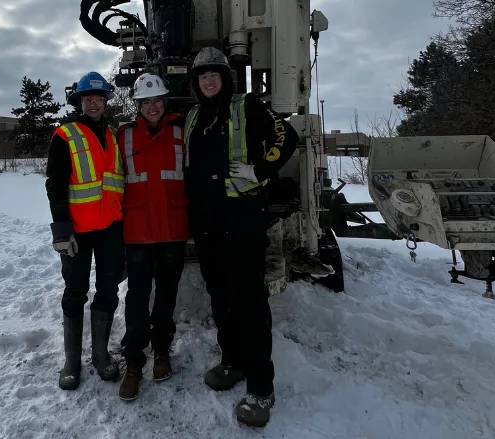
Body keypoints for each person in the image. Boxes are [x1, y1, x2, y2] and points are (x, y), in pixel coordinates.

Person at [183, 47, 332, 427]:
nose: (209, 81)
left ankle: (260, 387)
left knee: (248, 300)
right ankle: (231, 361)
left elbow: (288, 135)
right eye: (202, 77)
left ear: (225, 78)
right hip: (207, 223)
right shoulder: (193, 116)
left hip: (243, 220)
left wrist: (260, 170)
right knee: (219, 296)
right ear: (196, 84)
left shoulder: (246, 106)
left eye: (214, 75)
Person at [45, 71, 125, 391]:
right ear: (79, 101)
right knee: (75, 292)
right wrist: (62, 232)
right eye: (88, 98)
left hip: (110, 229)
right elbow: (56, 187)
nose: (94, 102)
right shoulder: (65, 136)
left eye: (99, 97)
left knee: (107, 290)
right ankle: (72, 361)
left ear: (106, 101)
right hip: (77, 232)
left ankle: (102, 355)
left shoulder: (116, 135)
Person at [116, 74, 188, 401]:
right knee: (137, 298)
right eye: (146, 102)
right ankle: (134, 362)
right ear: (138, 106)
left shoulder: (180, 133)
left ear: (165, 102)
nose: (153, 106)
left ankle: (161, 352)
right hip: (138, 232)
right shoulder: (124, 137)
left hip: (172, 229)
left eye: (157, 100)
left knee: (166, 296)